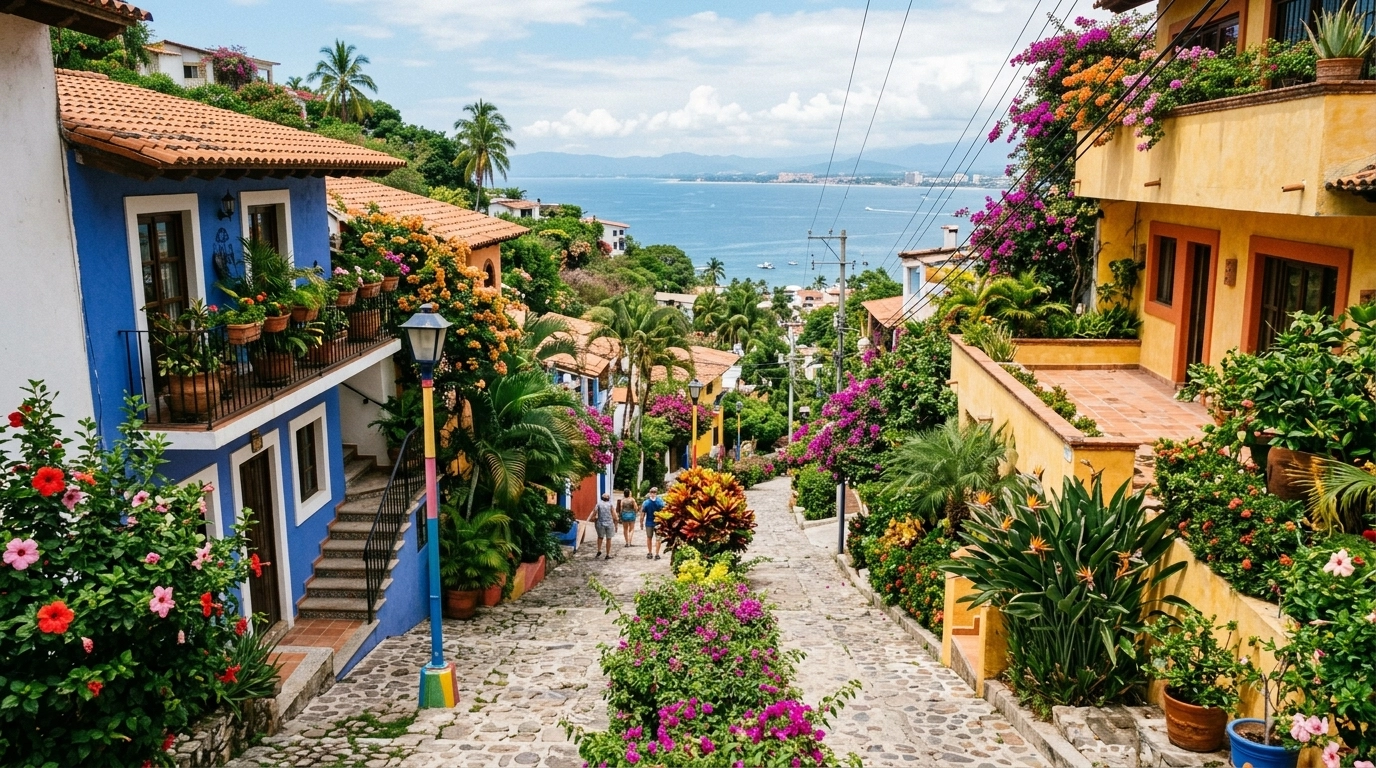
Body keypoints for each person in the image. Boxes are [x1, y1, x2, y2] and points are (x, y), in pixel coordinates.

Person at [641, 486, 666, 561]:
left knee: (650, 538)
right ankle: (657, 554)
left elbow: (642, 513)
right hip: (657, 522)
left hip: (649, 522)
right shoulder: (660, 501)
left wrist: (641, 523)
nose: (653, 493)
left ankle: (650, 553)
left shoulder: (646, 502)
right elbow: (664, 511)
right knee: (657, 539)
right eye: (652, 492)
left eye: (653, 492)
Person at [594, 493, 615, 559]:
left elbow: (595, 512)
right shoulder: (610, 504)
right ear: (608, 498)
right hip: (609, 523)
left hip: (600, 523)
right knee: (608, 539)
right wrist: (616, 520)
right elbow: (613, 513)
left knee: (600, 537)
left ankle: (599, 550)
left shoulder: (598, 504)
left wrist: (594, 518)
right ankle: (607, 554)